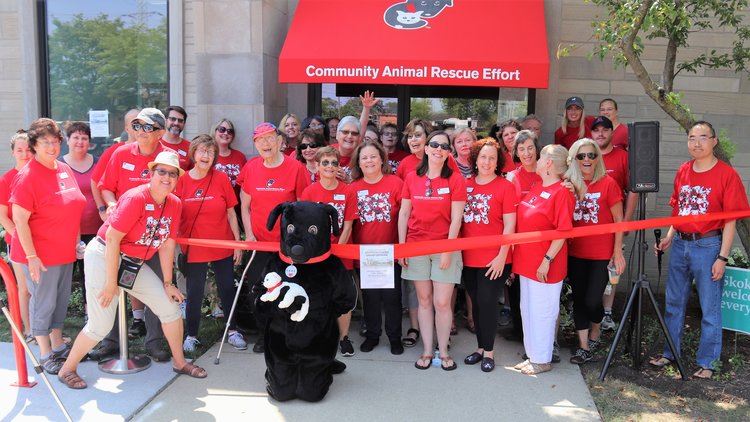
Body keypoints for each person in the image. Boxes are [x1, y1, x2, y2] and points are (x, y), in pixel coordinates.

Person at [57, 151, 208, 389]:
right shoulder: (136, 197)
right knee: (101, 324)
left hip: (132, 262)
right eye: (161, 172)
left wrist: (168, 283)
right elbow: (113, 238)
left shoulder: (174, 203)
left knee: (170, 308)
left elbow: (167, 244)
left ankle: (180, 362)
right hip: (104, 255)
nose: (166, 177)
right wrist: (110, 283)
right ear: (151, 173)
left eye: (172, 173)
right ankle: (68, 368)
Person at [651, 121, 749, 379]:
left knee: (709, 306)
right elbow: (679, 209)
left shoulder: (727, 174)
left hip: (708, 245)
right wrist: (670, 236)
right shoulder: (684, 170)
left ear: (714, 141)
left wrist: (722, 257)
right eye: (692, 138)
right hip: (681, 242)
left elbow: (731, 220)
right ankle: (670, 352)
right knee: (673, 302)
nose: (697, 143)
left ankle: (707, 362)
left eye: (703, 137)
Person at [92, 108, 175, 362]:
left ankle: (154, 341)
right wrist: (111, 204)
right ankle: (110, 340)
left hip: (151, 237)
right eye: (137, 126)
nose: (139, 131)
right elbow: (105, 187)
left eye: (147, 127)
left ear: (160, 132)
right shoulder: (120, 152)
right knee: (113, 285)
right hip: (120, 237)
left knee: (156, 289)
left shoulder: (168, 156)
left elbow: (172, 192)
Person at [10, 118, 86, 374]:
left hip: (64, 252)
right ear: (34, 145)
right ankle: (44, 353)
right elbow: (19, 220)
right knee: (43, 303)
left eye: (55, 142)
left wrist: (76, 242)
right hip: (39, 255)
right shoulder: (27, 176)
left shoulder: (63, 169)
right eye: (45, 143)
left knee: (60, 301)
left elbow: (73, 206)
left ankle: (56, 345)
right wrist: (31, 256)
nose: (52, 147)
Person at [237, 122, 311, 352]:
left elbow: (303, 207)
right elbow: (245, 204)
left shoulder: (296, 168)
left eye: (270, 138)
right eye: (260, 140)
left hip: (286, 246)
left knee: (288, 289)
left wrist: (297, 240)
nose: (265, 144)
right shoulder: (251, 168)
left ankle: (287, 335)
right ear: (255, 144)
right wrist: (248, 233)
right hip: (259, 244)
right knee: (259, 292)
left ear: (280, 141)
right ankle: (265, 335)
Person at [398, 131, 467, 371]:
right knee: (424, 300)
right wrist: (402, 247)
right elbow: (404, 214)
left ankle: (444, 350)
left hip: (444, 247)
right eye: (434, 144)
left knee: (442, 302)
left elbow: (456, 220)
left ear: (449, 152)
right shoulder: (411, 177)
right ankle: (427, 350)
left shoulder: (455, 179)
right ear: (426, 149)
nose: (439, 149)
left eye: (444, 146)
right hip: (416, 246)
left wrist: (448, 249)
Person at [174, 135, 244, 352]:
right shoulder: (182, 181)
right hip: (194, 248)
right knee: (194, 292)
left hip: (222, 244)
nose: (206, 156)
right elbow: (174, 214)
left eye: (210, 152)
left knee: (227, 289)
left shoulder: (221, 178)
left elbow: (232, 213)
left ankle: (232, 330)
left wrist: (237, 244)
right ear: (194, 153)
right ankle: (191, 335)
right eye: (202, 151)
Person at [512, 144, 575, 375]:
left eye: (540, 158)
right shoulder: (539, 185)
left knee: (543, 311)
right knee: (527, 309)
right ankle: (533, 355)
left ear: (548, 163)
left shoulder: (562, 192)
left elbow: (563, 230)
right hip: (526, 261)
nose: (535, 160)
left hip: (545, 265)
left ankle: (542, 359)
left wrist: (547, 259)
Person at [564, 139, 626, 364]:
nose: (587, 160)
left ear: (598, 158)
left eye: (591, 155)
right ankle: (583, 347)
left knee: (592, 301)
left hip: (601, 253)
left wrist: (617, 252)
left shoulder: (608, 183)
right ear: (574, 159)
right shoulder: (568, 184)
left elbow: (619, 221)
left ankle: (596, 328)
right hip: (575, 253)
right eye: (581, 156)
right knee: (579, 299)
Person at [461, 138, 517, 372]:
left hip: (495, 259)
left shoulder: (505, 186)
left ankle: (490, 352)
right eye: (483, 157)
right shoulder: (465, 184)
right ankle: (480, 348)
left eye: (492, 158)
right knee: (476, 303)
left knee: (488, 303)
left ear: (498, 162)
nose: (486, 162)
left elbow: (509, 226)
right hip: (468, 258)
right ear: (475, 159)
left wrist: (502, 256)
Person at [347, 141, 404, 355]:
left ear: (381, 159)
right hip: (366, 254)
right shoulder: (353, 188)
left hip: (391, 253)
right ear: (359, 163)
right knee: (370, 298)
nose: (369, 161)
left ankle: (394, 337)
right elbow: (349, 224)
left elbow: (405, 217)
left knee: (392, 299)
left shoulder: (396, 183)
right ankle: (372, 335)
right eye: (364, 158)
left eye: (373, 156)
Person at [300, 146, 357, 356]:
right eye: (325, 163)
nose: (330, 167)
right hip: (316, 254)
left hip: (341, 253)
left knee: (342, 297)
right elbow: (304, 226)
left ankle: (344, 338)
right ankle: (321, 337)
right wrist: (320, 251)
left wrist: (337, 251)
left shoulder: (347, 190)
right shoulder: (309, 192)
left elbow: (349, 225)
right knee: (317, 296)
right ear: (317, 166)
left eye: (334, 163)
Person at [589, 115, 638, 331]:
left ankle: (607, 313)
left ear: (611, 133)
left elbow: (633, 190)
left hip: (614, 225)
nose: (600, 134)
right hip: (589, 225)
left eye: (605, 130)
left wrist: (625, 222)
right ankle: (590, 312)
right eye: (596, 130)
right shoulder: (587, 154)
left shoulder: (623, 157)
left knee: (612, 271)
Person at [505, 130, 543, 343]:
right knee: (519, 293)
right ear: (516, 153)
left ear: (537, 148)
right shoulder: (512, 177)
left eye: (530, 148)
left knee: (541, 296)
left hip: (544, 245)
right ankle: (522, 335)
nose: (527, 153)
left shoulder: (547, 171)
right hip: (519, 245)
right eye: (521, 149)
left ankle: (543, 338)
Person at [61, 122, 101, 306]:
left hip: (95, 229)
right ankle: (56, 321)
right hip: (67, 231)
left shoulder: (98, 162)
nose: (80, 141)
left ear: (89, 142)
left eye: (84, 138)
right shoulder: (58, 165)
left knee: (91, 276)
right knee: (63, 277)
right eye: (75, 137)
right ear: (67, 140)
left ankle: (90, 313)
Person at [0, 130, 33, 341]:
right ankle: (29, 330)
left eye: (28, 149)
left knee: (42, 290)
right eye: (20, 150)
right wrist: (21, 238)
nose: (25, 154)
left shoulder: (38, 176)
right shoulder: (7, 180)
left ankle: (44, 329)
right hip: (18, 243)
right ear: (13, 153)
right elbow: (3, 216)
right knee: (24, 288)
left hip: (42, 242)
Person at [91, 109, 139, 222]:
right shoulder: (114, 151)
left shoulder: (152, 151)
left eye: (142, 123)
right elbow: (95, 181)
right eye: (135, 124)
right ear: (127, 128)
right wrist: (102, 209)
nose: (139, 127)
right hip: (120, 217)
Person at [212, 118, 247, 190]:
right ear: (214, 132)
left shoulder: (240, 156)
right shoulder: (208, 156)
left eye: (230, 131)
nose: (226, 133)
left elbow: (246, 183)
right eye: (222, 129)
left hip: (237, 200)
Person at [160, 105, 192, 170]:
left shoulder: (190, 147)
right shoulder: (154, 143)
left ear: (184, 124)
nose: (176, 123)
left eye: (180, 120)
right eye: (173, 119)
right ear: (165, 121)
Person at [332, 116, 361, 181]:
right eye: (345, 132)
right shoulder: (326, 153)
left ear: (359, 138)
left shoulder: (363, 158)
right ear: (337, 135)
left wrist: (348, 180)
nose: (349, 136)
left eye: (354, 133)